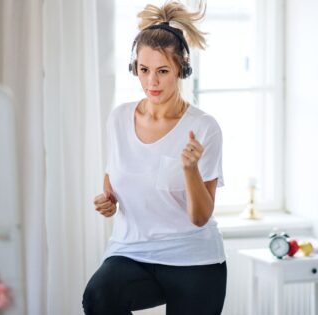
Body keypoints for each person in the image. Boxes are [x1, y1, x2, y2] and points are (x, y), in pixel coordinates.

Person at [82, 1, 226, 314]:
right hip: (132, 252)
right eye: (144, 70)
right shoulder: (119, 118)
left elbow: (201, 217)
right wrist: (108, 200)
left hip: (194, 258)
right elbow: (114, 177)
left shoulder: (204, 127)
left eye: (162, 71)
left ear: (181, 69)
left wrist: (189, 169)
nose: (152, 82)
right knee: (98, 297)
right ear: (134, 67)